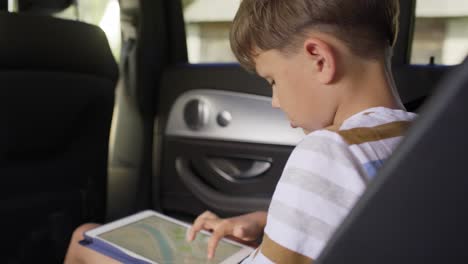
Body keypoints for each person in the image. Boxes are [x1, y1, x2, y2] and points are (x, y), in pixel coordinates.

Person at [64, 0, 417, 263]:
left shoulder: (328, 152)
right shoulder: (420, 138)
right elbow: (362, 221)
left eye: (273, 81)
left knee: (85, 240)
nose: (276, 101)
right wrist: (267, 224)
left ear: (319, 59)